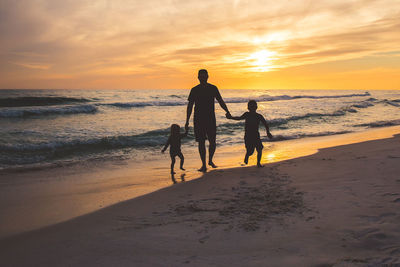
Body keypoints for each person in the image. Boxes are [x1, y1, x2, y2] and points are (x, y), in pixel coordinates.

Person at [185, 69, 231, 172]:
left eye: (204, 76)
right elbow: (190, 106)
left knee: (212, 141)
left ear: (207, 77)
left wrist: (227, 111)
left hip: (210, 118)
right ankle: (203, 165)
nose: (203, 78)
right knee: (201, 142)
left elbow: (220, 101)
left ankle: (210, 160)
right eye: (201, 76)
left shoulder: (213, 88)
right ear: (198, 77)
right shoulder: (194, 90)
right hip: (198, 119)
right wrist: (187, 120)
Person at [226, 100, 273, 167]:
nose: (252, 108)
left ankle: (258, 163)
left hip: (256, 135)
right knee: (250, 151)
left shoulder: (259, 116)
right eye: (251, 106)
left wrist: (268, 132)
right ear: (248, 108)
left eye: (254, 106)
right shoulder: (247, 114)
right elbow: (239, 118)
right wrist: (231, 117)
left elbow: (265, 124)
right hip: (248, 136)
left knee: (260, 149)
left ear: (256, 107)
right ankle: (247, 155)